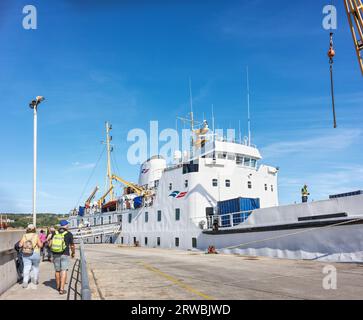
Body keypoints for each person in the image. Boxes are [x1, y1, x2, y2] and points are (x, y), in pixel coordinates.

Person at [49, 220, 75, 295]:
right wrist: (73, 253)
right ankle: (62, 289)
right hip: (65, 254)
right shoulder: (69, 234)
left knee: (57, 271)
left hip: (55, 254)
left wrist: (51, 253)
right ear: (66, 225)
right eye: (68, 225)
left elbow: (50, 244)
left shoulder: (54, 233)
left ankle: (58, 286)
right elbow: (72, 245)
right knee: (64, 270)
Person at [18, 224, 43, 288]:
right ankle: (35, 280)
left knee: (26, 267)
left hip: (25, 253)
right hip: (35, 253)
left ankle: (25, 282)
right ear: (34, 229)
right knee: (35, 267)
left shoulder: (24, 236)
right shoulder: (36, 235)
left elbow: (20, 245)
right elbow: (40, 245)